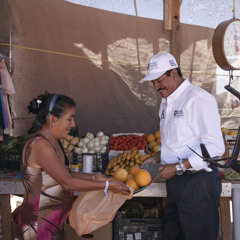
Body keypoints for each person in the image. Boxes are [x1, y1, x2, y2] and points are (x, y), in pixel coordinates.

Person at [12, 92, 130, 239]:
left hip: (52, 223)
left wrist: (94, 177)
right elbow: (66, 182)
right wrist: (107, 185)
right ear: (52, 119)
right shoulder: (41, 145)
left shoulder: (54, 142)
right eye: (69, 119)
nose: (73, 124)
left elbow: (64, 173)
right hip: (38, 226)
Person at [140, 52, 225, 240]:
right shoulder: (167, 101)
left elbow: (215, 147)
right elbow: (178, 142)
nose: (156, 86)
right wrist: (157, 156)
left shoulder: (198, 99)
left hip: (198, 183)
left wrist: (178, 167)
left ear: (174, 73)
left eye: (159, 80)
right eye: (152, 82)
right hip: (176, 183)